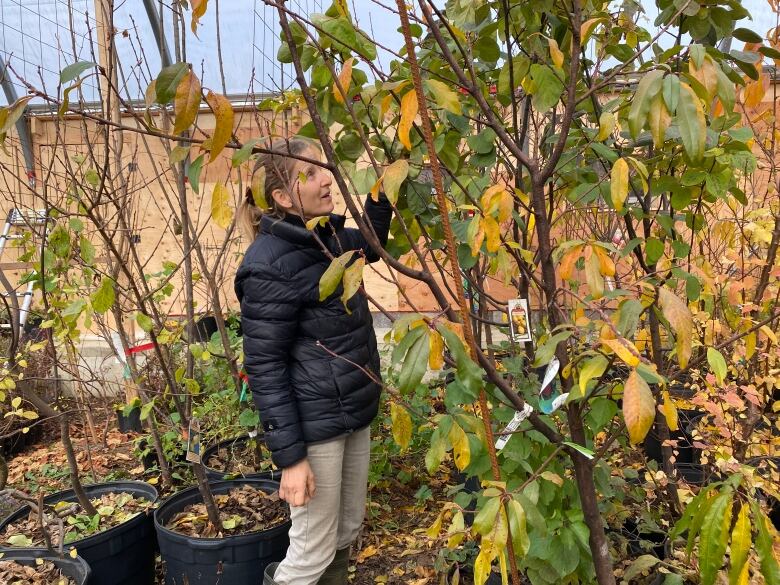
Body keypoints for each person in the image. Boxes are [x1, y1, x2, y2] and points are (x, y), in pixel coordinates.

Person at [234, 137, 392, 585]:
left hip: (350, 414)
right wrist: (292, 459)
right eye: (312, 173)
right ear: (284, 198)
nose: (327, 179)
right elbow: (265, 369)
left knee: (345, 531)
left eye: (324, 168)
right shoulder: (268, 266)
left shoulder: (327, 238)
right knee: (311, 550)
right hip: (314, 427)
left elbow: (370, 246)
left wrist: (385, 184)